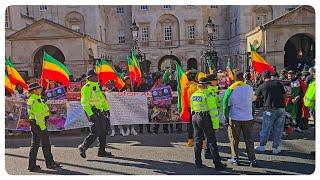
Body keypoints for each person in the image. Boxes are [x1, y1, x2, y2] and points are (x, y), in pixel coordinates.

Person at [190, 77, 227, 170]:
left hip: (195, 117)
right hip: (204, 118)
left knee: (198, 141)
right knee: (211, 141)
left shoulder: (194, 94)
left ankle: (198, 162)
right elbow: (213, 111)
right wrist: (215, 126)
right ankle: (218, 164)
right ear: (206, 85)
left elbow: (191, 107)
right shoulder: (208, 94)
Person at [223, 72, 257, 167]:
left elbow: (225, 104)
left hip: (235, 118)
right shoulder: (249, 88)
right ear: (243, 78)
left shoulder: (231, 89)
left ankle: (235, 158)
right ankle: (252, 160)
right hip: (248, 117)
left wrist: (225, 117)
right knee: (249, 139)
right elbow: (252, 99)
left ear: (234, 78)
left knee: (234, 139)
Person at [78, 69, 112, 158]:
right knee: (95, 132)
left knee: (103, 131)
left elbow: (102, 100)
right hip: (93, 112)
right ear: (90, 77)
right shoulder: (86, 87)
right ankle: (83, 147)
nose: (97, 77)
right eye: (95, 76)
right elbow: (84, 103)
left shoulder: (97, 87)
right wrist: (90, 114)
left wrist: (107, 110)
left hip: (101, 112)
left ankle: (102, 151)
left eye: (96, 76)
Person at [27, 82, 60, 172]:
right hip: (39, 124)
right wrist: (43, 128)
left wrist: (48, 113)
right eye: (39, 88)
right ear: (34, 90)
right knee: (46, 144)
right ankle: (50, 163)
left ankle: (32, 165)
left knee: (35, 145)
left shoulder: (35, 98)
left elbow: (42, 111)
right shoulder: (36, 100)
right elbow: (39, 116)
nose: (41, 89)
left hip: (35, 124)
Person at [254, 71, 286, 154]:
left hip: (269, 110)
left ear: (263, 78)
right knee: (278, 129)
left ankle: (262, 146)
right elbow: (284, 95)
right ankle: (276, 148)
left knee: (266, 129)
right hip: (281, 108)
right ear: (270, 76)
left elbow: (255, 98)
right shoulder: (278, 84)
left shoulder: (262, 86)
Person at [203, 74, 222, 159]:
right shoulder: (210, 91)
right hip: (210, 117)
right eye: (215, 80)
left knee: (209, 136)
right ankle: (208, 153)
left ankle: (208, 152)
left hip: (214, 116)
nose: (217, 81)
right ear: (211, 81)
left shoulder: (215, 90)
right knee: (210, 137)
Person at [185, 70, 199, 146]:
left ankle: (190, 141)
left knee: (189, 124)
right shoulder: (196, 86)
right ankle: (200, 141)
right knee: (197, 125)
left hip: (188, 107)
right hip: (196, 107)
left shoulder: (185, 85)